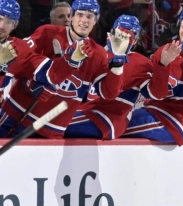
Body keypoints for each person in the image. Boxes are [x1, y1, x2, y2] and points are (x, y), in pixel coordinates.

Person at [1, 0, 131, 139]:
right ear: (72, 17)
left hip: (53, 128)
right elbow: (15, 61)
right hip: (16, 114)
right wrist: (29, 84)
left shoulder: (98, 54)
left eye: (89, 16)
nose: (84, 21)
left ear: (95, 20)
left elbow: (108, 93)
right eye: (80, 15)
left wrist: (118, 61)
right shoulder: (47, 33)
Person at [65, 15, 179, 139]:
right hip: (88, 111)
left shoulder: (139, 62)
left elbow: (157, 94)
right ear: (111, 33)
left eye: (127, 36)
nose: (122, 39)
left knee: (52, 123)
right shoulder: (97, 53)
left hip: (109, 119)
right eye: (120, 33)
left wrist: (162, 65)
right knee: (49, 118)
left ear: (135, 41)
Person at [122, 8, 183, 144]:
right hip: (152, 111)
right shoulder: (166, 49)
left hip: (174, 123)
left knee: (118, 123)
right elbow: (152, 89)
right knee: (119, 116)